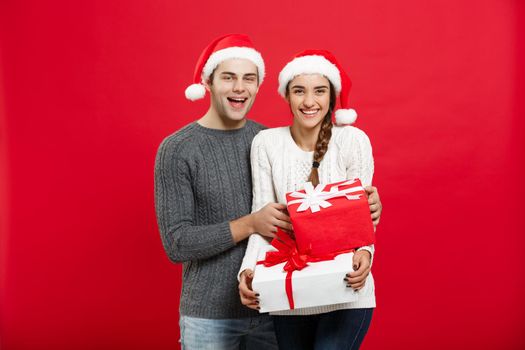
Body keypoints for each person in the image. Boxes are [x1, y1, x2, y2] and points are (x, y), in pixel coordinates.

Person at [155, 34, 382, 349]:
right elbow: (177, 244)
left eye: (248, 78)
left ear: (259, 86)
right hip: (211, 315)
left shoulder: (265, 139)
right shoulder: (179, 149)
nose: (239, 87)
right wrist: (250, 227)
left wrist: (366, 212)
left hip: (274, 304)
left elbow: (335, 206)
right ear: (208, 82)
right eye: (228, 78)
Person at [238, 50, 379, 349]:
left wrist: (365, 254)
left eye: (319, 91)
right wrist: (249, 270)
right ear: (286, 96)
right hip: (289, 295)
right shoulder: (266, 144)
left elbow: (361, 218)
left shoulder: (352, 140)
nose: (309, 101)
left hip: (345, 291)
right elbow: (264, 218)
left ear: (332, 96)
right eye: (299, 91)